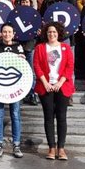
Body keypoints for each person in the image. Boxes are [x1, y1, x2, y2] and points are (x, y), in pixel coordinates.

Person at [33, 22, 74, 160]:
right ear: (46, 33)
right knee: (48, 117)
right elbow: (37, 66)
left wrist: (60, 82)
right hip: (46, 86)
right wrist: (45, 82)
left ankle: (61, 149)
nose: (52, 34)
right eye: (49, 32)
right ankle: (51, 148)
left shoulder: (66, 48)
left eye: (54, 32)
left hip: (62, 86)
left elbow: (69, 66)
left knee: (62, 117)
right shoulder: (40, 48)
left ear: (59, 33)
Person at [0, 24, 25, 158]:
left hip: (15, 87)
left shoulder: (18, 47)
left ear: (13, 33)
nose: (7, 34)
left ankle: (16, 144)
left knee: (15, 114)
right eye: (4, 32)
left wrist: (23, 59)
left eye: (9, 32)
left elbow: (23, 68)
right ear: (1, 33)